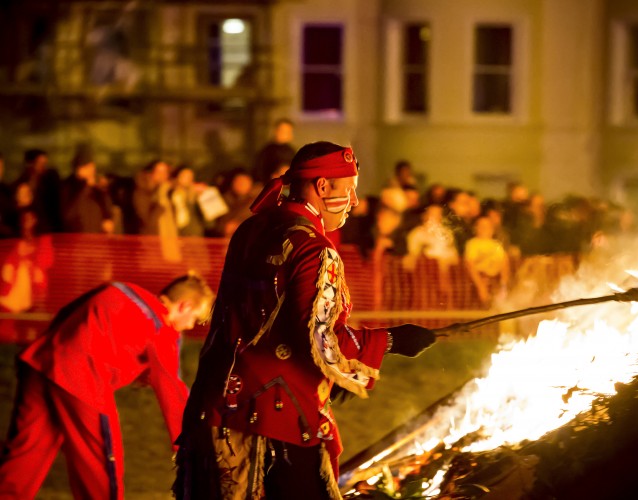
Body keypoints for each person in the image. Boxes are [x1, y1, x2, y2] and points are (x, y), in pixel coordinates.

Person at [173, 141, 436, 500]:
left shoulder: (251, 231)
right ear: (323, 187)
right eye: (350, 190)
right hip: (276, 418)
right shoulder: (313, 249)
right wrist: (391, 341)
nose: (355, 202)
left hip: (216, 402)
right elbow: (322, 340)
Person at [0, 273, 215, 500]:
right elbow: (171, 389)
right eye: (195, 318)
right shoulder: (161, 326)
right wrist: (191, 445)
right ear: (184, 305)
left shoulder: (118, 289)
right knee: (101, 460)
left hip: (41, 363)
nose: (190, 326)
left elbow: (66, 314)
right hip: (83, 380)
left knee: (26, 453)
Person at [251, 118, 296, 184]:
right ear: (275, 131)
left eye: (287, 131)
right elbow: (258, 172)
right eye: (282, 131)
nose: (284, 134)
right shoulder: (266, 152)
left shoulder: (292, 152)